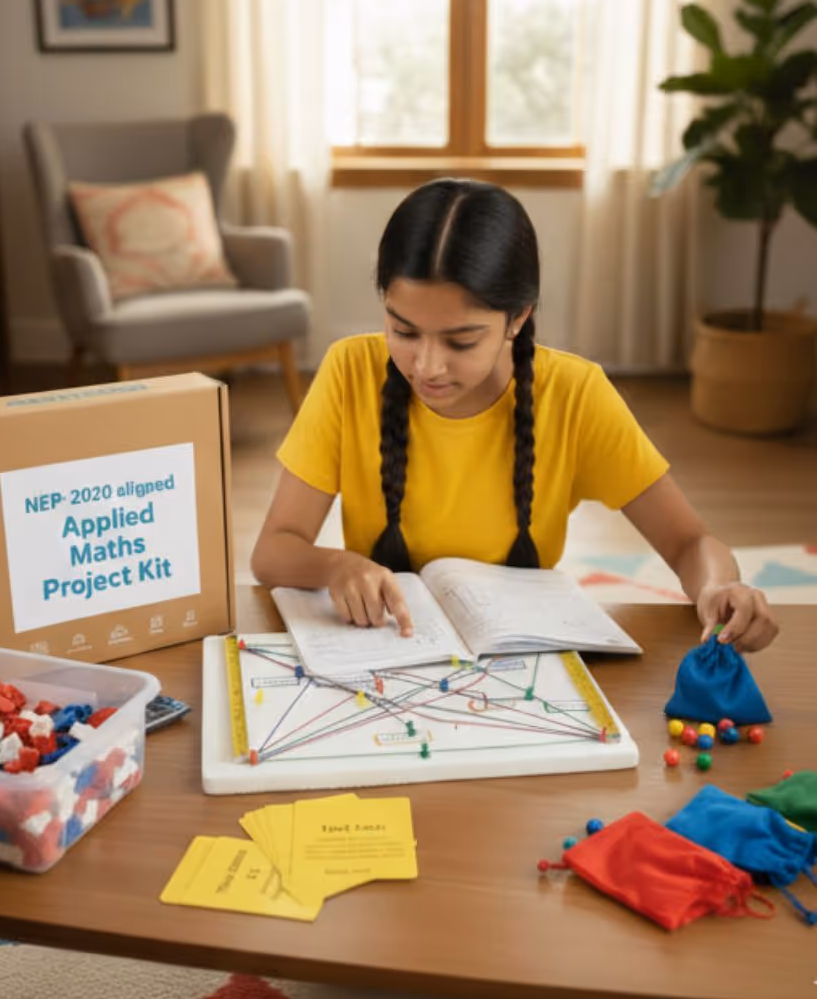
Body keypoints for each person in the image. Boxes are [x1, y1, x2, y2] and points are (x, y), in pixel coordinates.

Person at [250, 178, 779, 653]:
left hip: (522, 664)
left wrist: (717, 589)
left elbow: (690, 542)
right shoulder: (349, 371)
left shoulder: (575, 394)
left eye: (460, 340)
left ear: (518, 316)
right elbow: (274, 550)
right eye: (403, 331)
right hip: (380, 654)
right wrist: (337, 564)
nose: (427, 366)